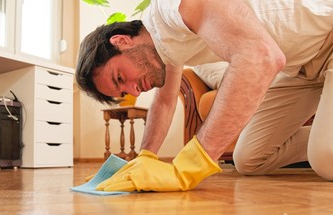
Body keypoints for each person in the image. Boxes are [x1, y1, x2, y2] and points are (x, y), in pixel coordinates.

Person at [76, 0, 333, 192]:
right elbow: (164, 102)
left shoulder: (176, 7)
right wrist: (144, 158)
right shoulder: (163, 47)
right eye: (124, 92)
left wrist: (188, 168)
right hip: (300, 69)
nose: (133, 91)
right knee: (249, 159)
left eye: (120, 78)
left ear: (121, 41)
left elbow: (261, 56)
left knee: (325, 159)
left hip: (328, 40)